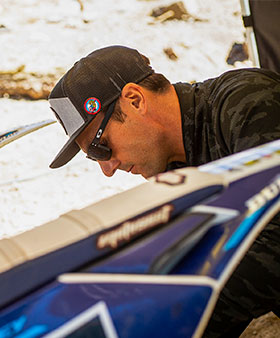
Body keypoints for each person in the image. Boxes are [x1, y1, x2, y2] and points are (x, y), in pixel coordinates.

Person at [47, 45, 280, 337]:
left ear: (134, 100)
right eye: (94, 156)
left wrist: (159, 313)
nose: (107, 168)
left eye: (100, 147)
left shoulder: (248, 103)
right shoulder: (173, 168)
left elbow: (272, 251)